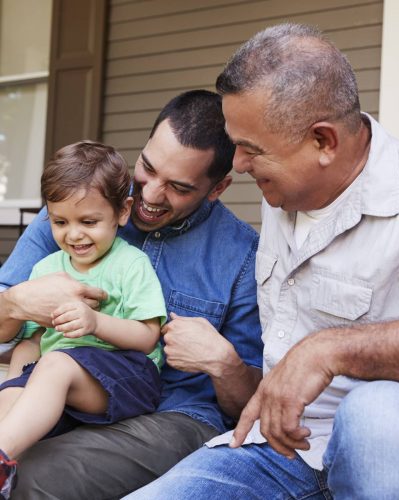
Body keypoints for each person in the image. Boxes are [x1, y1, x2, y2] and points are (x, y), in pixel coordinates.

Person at [125, 23, 399, 499]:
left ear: (323, 142)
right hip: (276, 449)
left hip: (379, 456)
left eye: (252, 150)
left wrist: (328, 349)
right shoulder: (286, 192)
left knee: (374, 414)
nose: (238, 167)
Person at [0, 90, 263, 499]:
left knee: (35, 473)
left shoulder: (243, 257)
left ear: (217, 187)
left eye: (178, 187)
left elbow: (250, 405)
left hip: (173, 413)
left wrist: (224, 364)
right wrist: (16, 301)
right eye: (148, 167)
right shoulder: (78, 208)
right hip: (66, 390)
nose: (152, 195)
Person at [0, 140, 167, 498]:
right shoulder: (47, 268)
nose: (73, 234)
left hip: (128, 377)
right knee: (25, 357)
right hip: (64, 379)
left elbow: (147, 337)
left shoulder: (130, 264)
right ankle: (7, 459)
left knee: (56, 361)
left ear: (123, 212)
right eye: (60, 221)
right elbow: (28, 337)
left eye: (88, 221)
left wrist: (95, 322)